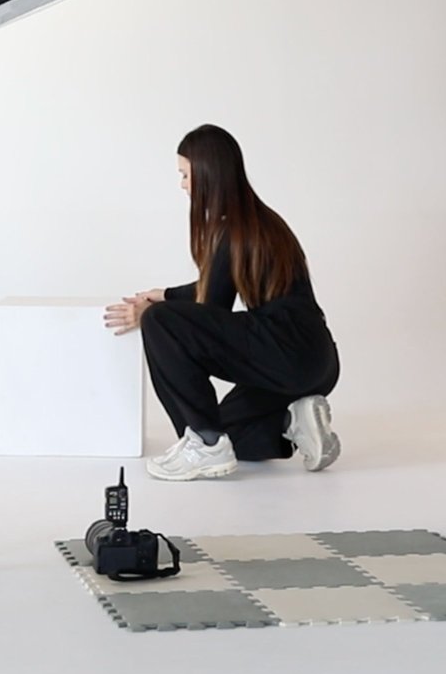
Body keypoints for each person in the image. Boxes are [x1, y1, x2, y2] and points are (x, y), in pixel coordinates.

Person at [105, 124, 341, 481]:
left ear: (207, 174)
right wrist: (166, 294)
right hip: (318, 362)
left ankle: (204, 442)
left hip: (285, 351)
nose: (182, 185)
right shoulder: (262, 222)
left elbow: (211, 310)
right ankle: (294, 420)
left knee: (159, 321)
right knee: (229, 434)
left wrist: (154, 311)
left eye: (185, 175)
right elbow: (216, 286)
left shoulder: (233, 230)